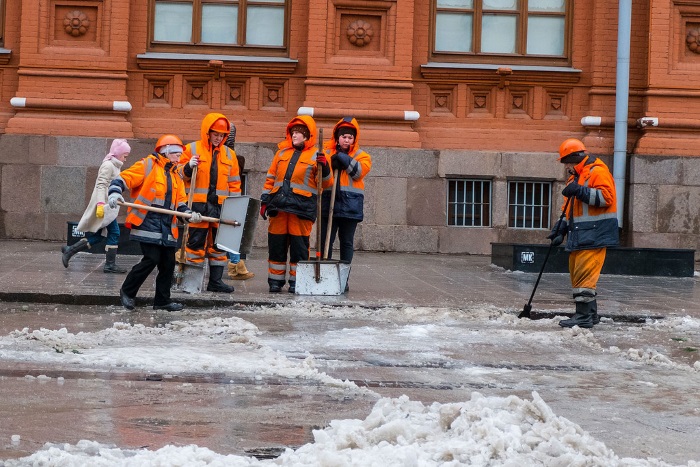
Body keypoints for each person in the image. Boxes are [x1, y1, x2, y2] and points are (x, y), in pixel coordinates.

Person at [107, 135, 202, 312]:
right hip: (146, 223)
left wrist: (189, 214)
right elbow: (123, 179)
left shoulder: (175, 175)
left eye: (180, 154)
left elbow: (180, 203)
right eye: (176, 154)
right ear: (165, 152)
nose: (179, 158)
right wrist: (114, 193)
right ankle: (127, 291)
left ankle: (162, 301)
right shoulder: (147, 165)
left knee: (168, 263)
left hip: (167, 226)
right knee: (151, 259)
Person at [547, 138, 619, 328]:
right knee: (578, 275)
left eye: (566, 162)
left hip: (595, 234)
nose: (566, 167)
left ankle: (583, 317)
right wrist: (560, 229)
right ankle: (591, 315)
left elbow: (606, 198)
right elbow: (568, 208)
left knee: (585, 277)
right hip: (580, 234)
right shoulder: (576, 177)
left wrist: (579, 190)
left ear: (575, 158)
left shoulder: (598, 172)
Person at [260, 116, 333, 293]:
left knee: (299, 248)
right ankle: (275, 281)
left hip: (301, 209)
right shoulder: (281, 153)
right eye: (293, 132)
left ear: (308, 135)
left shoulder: (319, 156)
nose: (294, 135)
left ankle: (297, 282)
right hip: (278, 208)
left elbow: (326, 183)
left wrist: (325, 168)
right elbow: (271, 178)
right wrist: (265, 200)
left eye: (298, 132)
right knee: (276, 246)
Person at [177, 113, 241, 294]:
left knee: (219, 247)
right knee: (195, 244)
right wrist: (189, 165)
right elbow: (180, 175)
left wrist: (234, 207)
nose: (218, 138)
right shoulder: (192, 149)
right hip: (197, 206)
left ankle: (215, 282)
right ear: (208, 132)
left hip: (221, 208)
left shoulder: (230, 154)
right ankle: (190, 282)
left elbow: (234, 183)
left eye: (222, 135)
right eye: (215, 134)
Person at [61, 139, 132, 273]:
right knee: (115, 232)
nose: (125, 159)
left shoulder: (115, 166)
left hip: (108, 206)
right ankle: (109, 265)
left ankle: (70, 250)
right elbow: (101, 185)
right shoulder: (108, 165)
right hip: (105, 206)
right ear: (118, 153)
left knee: (99, 236)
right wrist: (100, 204)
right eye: (125, 155)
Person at [320, 117, 372, 292]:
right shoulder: (326, 153)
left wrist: (342, 157)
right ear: (337, 137)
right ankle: (324, 276)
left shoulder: (362, 156)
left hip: (350, 205)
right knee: (325, 241)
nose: (346, 140)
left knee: (346, 243)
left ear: (354, 140)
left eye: (350, 137)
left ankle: (343, 279)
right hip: (329, 203)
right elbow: (319, 176)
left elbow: (358, 173)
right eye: (344, 137)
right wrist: (327, 164)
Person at [223, 125, 254, 281]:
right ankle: (235, 266)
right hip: (220, 200)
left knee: (231, 235)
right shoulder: (214, 156)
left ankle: (236, 266)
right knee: (228, 235)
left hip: (230, 199)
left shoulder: (236, 159)